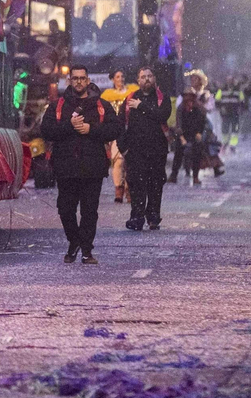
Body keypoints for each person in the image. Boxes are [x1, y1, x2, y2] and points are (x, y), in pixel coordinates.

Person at [40, 65, 119, 264]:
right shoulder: (58, 105)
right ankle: (74, 241)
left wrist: (90, 129)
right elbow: (46, 130)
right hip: (65, 168)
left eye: (82, 78)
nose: (79, 82)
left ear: (88, 80)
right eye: (75, 78)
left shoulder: (101, 105)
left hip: (93, 167)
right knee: (65, 209)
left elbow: (116, 129)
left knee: (89, 211)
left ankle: (86, 250)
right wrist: (70, 127)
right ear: (69, 80)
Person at [120, 68, 172, 232]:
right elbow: (120, 125)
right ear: (138, 80)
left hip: (157, 150)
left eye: (149, 76)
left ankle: (153, 216)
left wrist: (142, 106)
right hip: (135, 151)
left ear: (154, 78)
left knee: (155, 184)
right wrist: (124, 149)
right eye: (143, 77)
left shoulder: (162, 98)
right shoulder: (129, 99)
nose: (147, 79)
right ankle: (136, 217)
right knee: (136, 185)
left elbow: (162, 115)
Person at [100, 70, 133, 204]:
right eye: (117, 77)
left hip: (130, 131)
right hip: (115, 131)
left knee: (130, 162)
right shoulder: (107, 95)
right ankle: (118, 188)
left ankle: (129, 189)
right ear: (113, 79)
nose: (120, 79)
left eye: (122, 76)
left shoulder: (132, 92)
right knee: (118, 161)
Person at [175, 89, 208, 182]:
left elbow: (202, 121)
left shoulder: (198, 107)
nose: (188, 99)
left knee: (198, 150)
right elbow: (178, 123)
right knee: (178, 151)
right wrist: (181, 137)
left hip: (195, 132)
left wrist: (199, 133)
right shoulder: (181, 108)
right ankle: (174, 174)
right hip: (184, 132)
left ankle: (195, 176)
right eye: (186, 96)